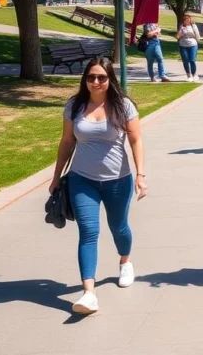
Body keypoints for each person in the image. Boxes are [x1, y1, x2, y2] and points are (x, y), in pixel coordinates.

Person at [50, 56, 147, 315]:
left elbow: (136, 140)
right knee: (88, 231)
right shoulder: (74, 106)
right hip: (82, 179)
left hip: (118, 179)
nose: (96, 82)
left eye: (101, 77)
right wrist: (56, 176)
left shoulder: (123, 106)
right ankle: (89, 293)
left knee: (119, 227)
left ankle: (125, 262)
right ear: (85, 79)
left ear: (110, 80)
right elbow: (67, 142)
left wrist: (141, 175)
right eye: (91, 77)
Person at [176, 14, 201, 82]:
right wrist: (181, 31)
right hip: (183, 45)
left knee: (192, 60)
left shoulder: (193, 26)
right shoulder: (181, 26)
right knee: (185, 60)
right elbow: (177, 37)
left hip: (193, 44)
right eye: (185, 19)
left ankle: (194, 74)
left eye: (188, 19)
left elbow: (198, 36)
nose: (186, 20)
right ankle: (188, 75)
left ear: (190, 20)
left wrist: (195, 34)